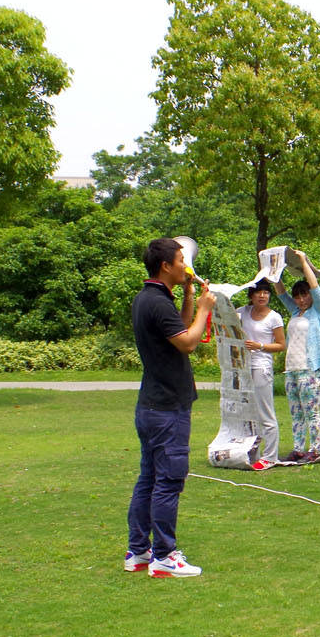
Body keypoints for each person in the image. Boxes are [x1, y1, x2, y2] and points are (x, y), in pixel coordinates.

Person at [126, 237, 215, 579]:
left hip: (151, 405)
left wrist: (191, 297)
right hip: (167, 409)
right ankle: (164, 556)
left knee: (149, 478)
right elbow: (188, 343)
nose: (185, 264)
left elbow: (178, 330)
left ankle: (139, 552)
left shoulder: (149, 298)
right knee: (169, 480)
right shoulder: (157, 303)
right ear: (165, 265)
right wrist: (207, 307)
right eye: (181, 259)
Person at [273, 251, 320, 462]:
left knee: (311, 412)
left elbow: (315, 288)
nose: (301, 299)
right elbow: (280, 292)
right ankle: (298, 448)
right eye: (297, 296)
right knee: (296, 413)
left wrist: (304, 262)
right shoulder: (295, 312)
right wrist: (274, 268)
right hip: (292, 369)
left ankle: (314, 450)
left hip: (310, 369)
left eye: (304, 295)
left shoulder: (319, 311)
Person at [238, 281, 286, 464]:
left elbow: (281, 345)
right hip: (243, 366)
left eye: (266, 292)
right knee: (248, 414)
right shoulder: (243, 311)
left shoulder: (274, 317)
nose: (262, 296)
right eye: (258, 292)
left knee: (265, 412)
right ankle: (251, 454)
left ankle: (270, 456)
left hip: (261, 367)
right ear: (252, 295)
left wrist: (260, 346)